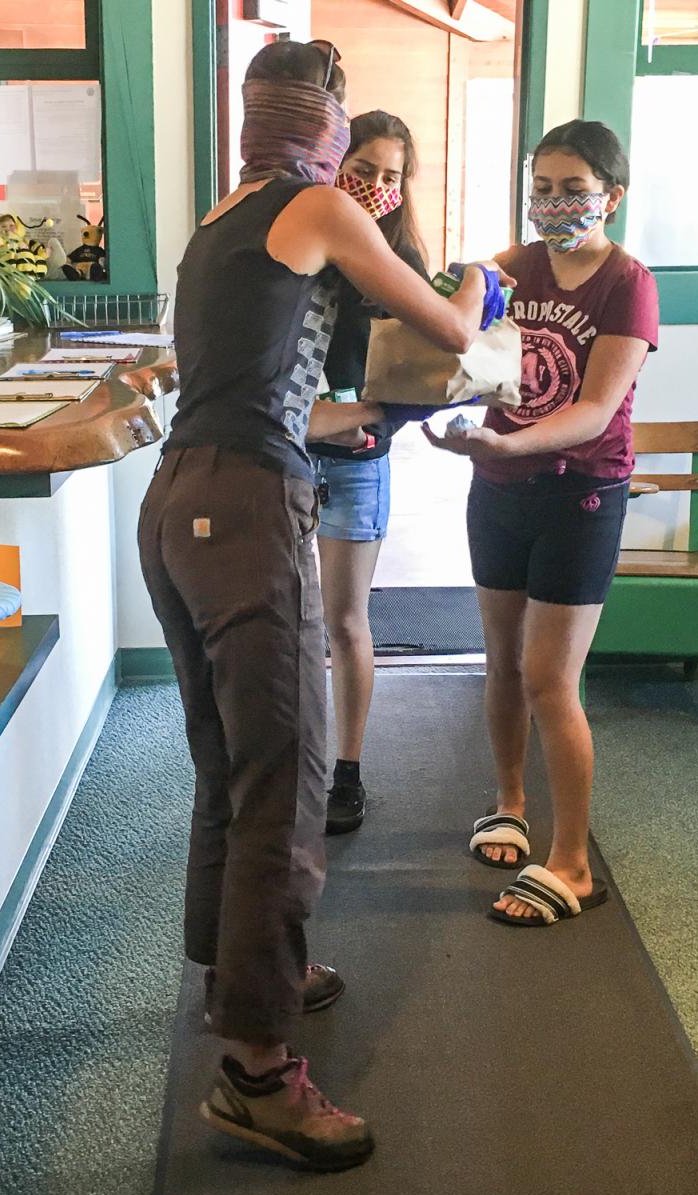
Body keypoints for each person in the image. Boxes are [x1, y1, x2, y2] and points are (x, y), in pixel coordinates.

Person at [137, 39, 510, 1170]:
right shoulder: (316, 205)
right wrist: (483, 281)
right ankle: (258, 1075)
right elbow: (452, 330)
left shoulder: (221, 215)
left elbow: (271, 391)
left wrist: (374, 415)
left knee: (229, 768)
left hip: (178, 503)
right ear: (325, 123)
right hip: (246, 514)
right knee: (287, 784)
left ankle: (248, 976)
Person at [424, 119, 659, 929]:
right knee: (500, 664)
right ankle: (510, 804)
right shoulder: (512, 266)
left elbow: (595, 410)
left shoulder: (628, 283)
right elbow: (453, 334)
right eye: (543, 188)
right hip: (498, 488)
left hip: (580, 494)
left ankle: (573, 864)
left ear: (611, 197)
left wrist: (507, 442)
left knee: (548, 680)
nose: (555, 204)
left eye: (574, 190)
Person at [306, 110, 429, 835]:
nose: (377, 186)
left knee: (346, 620)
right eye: (363, 170)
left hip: (356, 464)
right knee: (288, 619)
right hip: (284, 457)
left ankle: (346, 772)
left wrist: (367, 422)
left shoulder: (400, 266)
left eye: (391, 176)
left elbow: (424, 379)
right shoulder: (299, 244)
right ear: (335, 164)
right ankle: (292, 760)